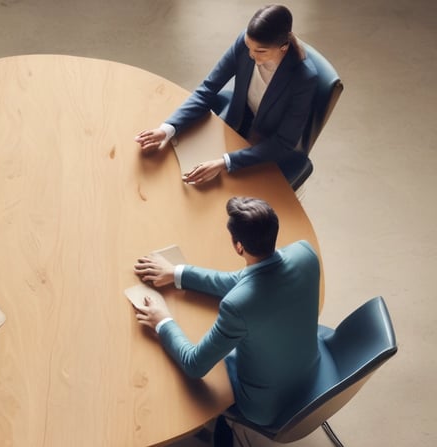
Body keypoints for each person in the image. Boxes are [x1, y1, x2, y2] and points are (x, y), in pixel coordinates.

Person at [132, 197, 320, 434]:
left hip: (266, 406)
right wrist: (178, 274)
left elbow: (195, 365)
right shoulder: (304, 252)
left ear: (238, 246)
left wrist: (163, 321)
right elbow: (248, 280)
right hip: (311, 371)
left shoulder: (236, 306)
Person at [134, 4, 318, 186]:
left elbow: (283, 143)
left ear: (283, 47)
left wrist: (225, 162)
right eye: (248, 46)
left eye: (260, 51)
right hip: (235, 124)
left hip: (265, 145)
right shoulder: (244, 44)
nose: (251, 55)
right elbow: (208, 89)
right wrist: (167, 129)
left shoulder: (303, 78)